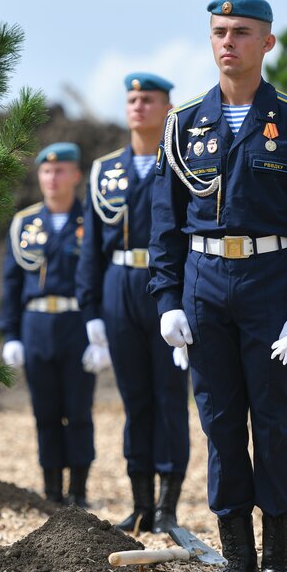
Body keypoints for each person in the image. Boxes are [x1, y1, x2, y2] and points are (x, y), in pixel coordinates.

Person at [148, 0, 287, 572]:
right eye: (218, 32)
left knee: (273, 423)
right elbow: (165, 222)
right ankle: (237, 564)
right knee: (221, 424)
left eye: (242, 32)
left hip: (270, 284)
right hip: (205, 286)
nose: (228, 42)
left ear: (268, 43)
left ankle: (279, 567)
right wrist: (166, 299)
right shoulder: (183, 125)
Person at [77, 72, 191, 535]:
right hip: (119, 284)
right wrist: (90, 312)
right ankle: (141, 501)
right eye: (132, 99)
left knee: (170, 398)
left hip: (167, 286)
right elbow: (90, 248)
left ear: (168, 108)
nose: (138, 106)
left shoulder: (183, 162)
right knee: (134, 399)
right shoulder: (106, 170)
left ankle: (168, 505)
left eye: (148, 99)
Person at [0, 142, 110, 507]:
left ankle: (78, 491)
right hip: (36, 326)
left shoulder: (91, 220)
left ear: (76, 176)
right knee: (45, 412)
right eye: (46, 171)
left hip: (77, 323)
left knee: (78, 410)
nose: (52, 177)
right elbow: (12, 281)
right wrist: (11, 334)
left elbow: (101, 277)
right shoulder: (24, 223)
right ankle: (51, 492)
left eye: (60, 170)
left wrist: (101, 334)